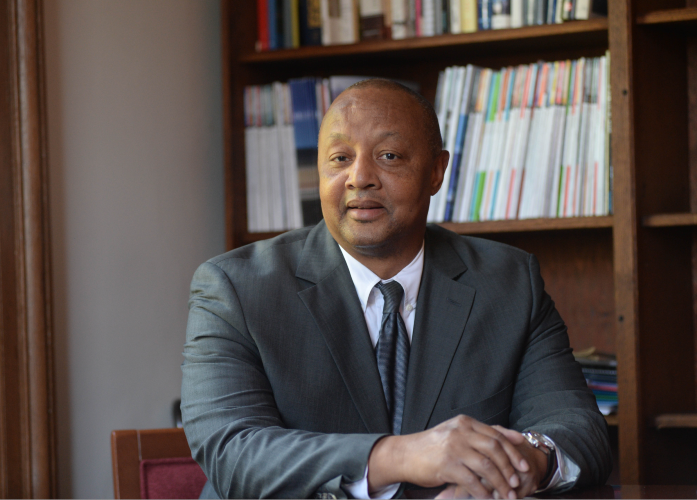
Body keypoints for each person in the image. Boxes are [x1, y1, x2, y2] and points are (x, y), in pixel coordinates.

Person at [181, 79, 612, 499]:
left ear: (436, 172)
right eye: (339, 158)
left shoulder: (509, 281)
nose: (359, 177)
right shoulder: (236, 289)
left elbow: (578, 427)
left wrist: (511, 468)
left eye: (388, 155)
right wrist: (401, 456)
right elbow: (231, 452)